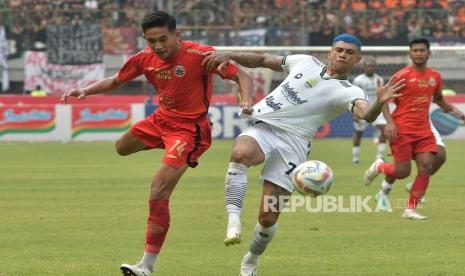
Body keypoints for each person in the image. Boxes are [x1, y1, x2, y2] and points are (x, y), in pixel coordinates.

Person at [61, 11, 254, 276]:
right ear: (145, 39)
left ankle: (146, 266)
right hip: (160, 120)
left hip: (189, 129)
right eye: (152, 41)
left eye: (163, 39)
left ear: (177, 35)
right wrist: (85, 91)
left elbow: (242, 76)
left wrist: (246, 101)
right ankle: (171, 150)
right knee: (122, 147)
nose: (158, 46)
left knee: (159, 189)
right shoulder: (144, 58)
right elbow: (117, 80)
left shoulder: (201, 56)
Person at [202, 34, 404, 275]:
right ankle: (233, 218)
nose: (342, 55)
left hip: (295, 144)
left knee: (267, 218)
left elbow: (365, 114)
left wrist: (379, 102)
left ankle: (252, 259)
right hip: (265, 125)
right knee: (241, 153)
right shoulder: (305, 62)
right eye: (339, 50)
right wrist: (229, 55)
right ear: (330, 52)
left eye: (349, 53)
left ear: (357, 59)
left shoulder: (350, 90)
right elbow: (264, 59)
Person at [363, 38, 465, 219]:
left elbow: (439, 100)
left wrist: (456, 111)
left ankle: (410, 209)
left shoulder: (435, 77)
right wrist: (390, 123)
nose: (418, 53)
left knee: (426, 167)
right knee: (402, 172)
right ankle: (380, 166)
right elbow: (383, 99)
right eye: (415, 50)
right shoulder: (401, 75)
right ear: (410, 54)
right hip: (401, 129)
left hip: (424, 130)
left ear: (429, 53)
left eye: (422, 50)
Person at [351, 58, 386, 164]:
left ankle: (379, 158)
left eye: (372, 66)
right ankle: (355, 158)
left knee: (384, 131)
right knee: (359, 133)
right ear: (363, 67)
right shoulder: (358, 80)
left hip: (376, 110)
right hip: (362, 109)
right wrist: (355, 113)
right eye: (368, 66)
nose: (370, 67)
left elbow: (382, 96)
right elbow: (353, 96)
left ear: (375, 67)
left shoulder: (379, 79)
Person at [0, 19, 9, 93]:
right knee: (5, 69)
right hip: (2, 52)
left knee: (5, 69)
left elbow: (4, 42)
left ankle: (5, 87)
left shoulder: (3, 30)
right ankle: (5, 87)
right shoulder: (3, 30)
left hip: (1, 53)